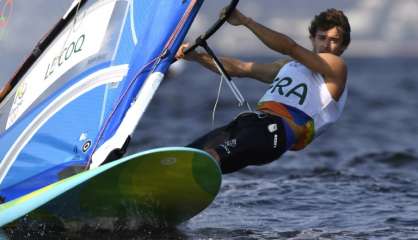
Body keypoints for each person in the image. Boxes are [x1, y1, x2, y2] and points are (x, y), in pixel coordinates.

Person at [176, 8, 351, 174]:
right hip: (250, 124)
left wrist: (245, 21)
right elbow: (241, 68)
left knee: (210, 156)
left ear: (342, 47)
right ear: (313, 39)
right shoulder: (288, 66)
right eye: (322, 38)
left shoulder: (336, 68)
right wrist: (197, 57)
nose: (327, 44)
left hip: (276, 133)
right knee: (185, 157)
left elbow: (290, 47)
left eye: (334, 40)